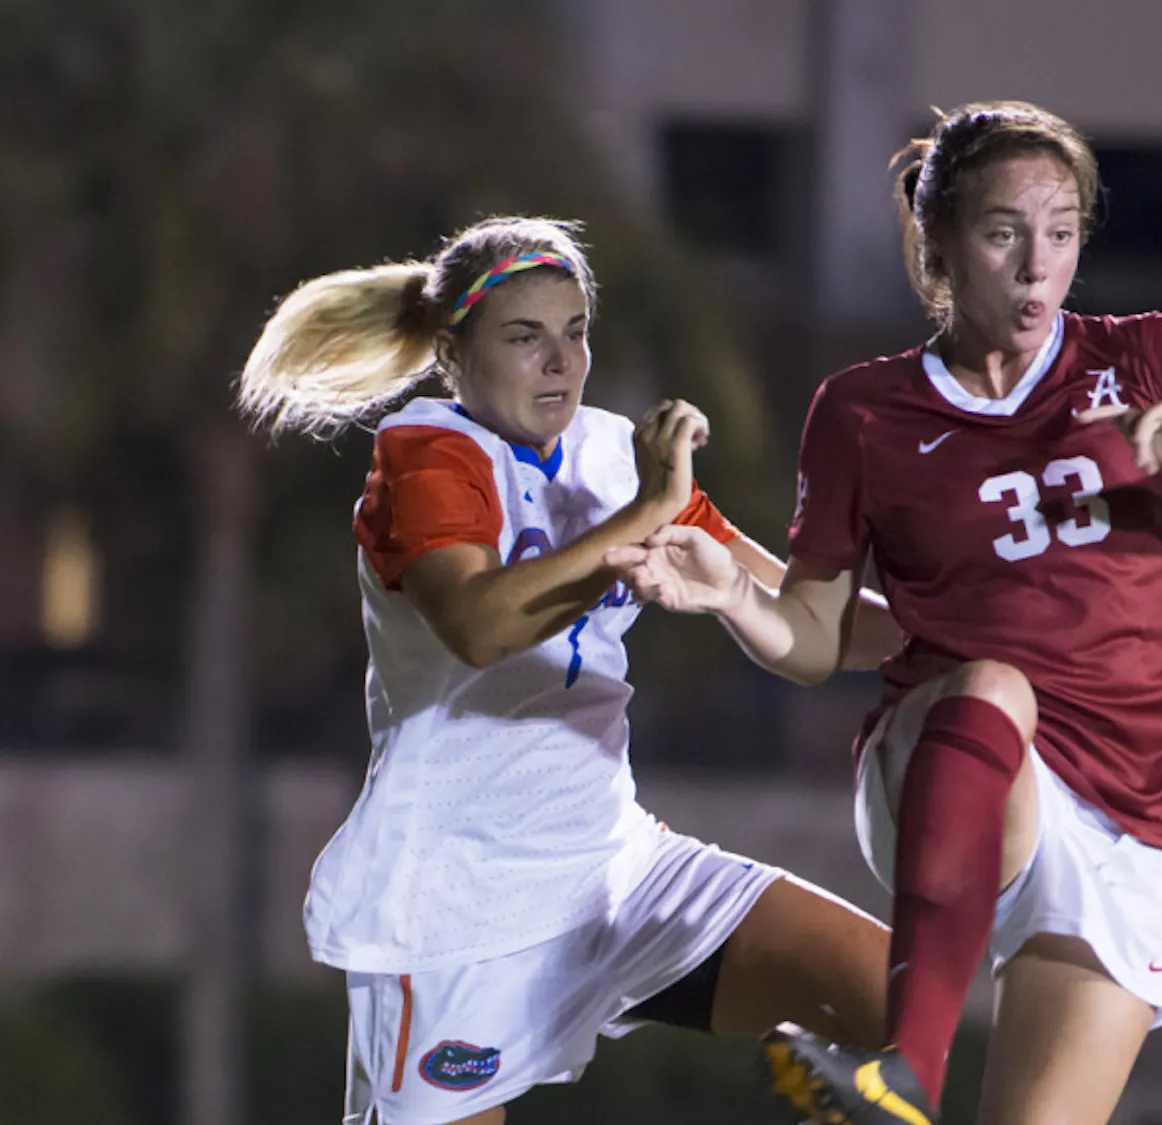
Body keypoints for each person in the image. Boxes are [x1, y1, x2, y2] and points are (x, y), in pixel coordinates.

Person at [604, 100, 1162, 1125]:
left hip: (1139, 812)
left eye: (1063, 233)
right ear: (941, 242)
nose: (1039, 266)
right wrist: (733, 591)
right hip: (946, 760)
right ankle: (902, 1067)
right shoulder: (863, 411)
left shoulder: (1146, 358)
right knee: (995, 687)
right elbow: (814, 640)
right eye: (1004, 233)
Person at [235, 215, 904, 1125]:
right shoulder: (426, 452)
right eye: (525, 337)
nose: (561, 361)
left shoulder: (612, 454)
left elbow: (798, 612)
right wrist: (647, 514)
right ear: (451, 353)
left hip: (613, 869)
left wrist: (969, 638)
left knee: (896, 998)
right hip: (454, 910)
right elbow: (480, 625)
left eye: (575, 331)